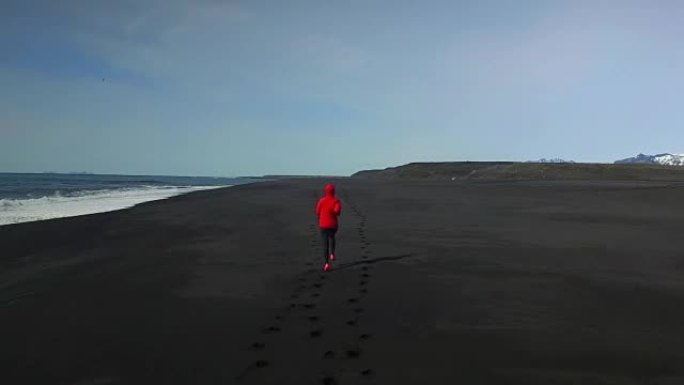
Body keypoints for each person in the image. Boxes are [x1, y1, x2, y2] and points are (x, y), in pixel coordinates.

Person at [316, 183, 342, 272]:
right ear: (333, 192)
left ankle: (326, 263)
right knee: (332, 237)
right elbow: (337, 212)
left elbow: (317, 211)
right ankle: (332, 253)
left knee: (325, 244)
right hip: (333, 225)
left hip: (323, 225)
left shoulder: (321, 201)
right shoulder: (336, 201)